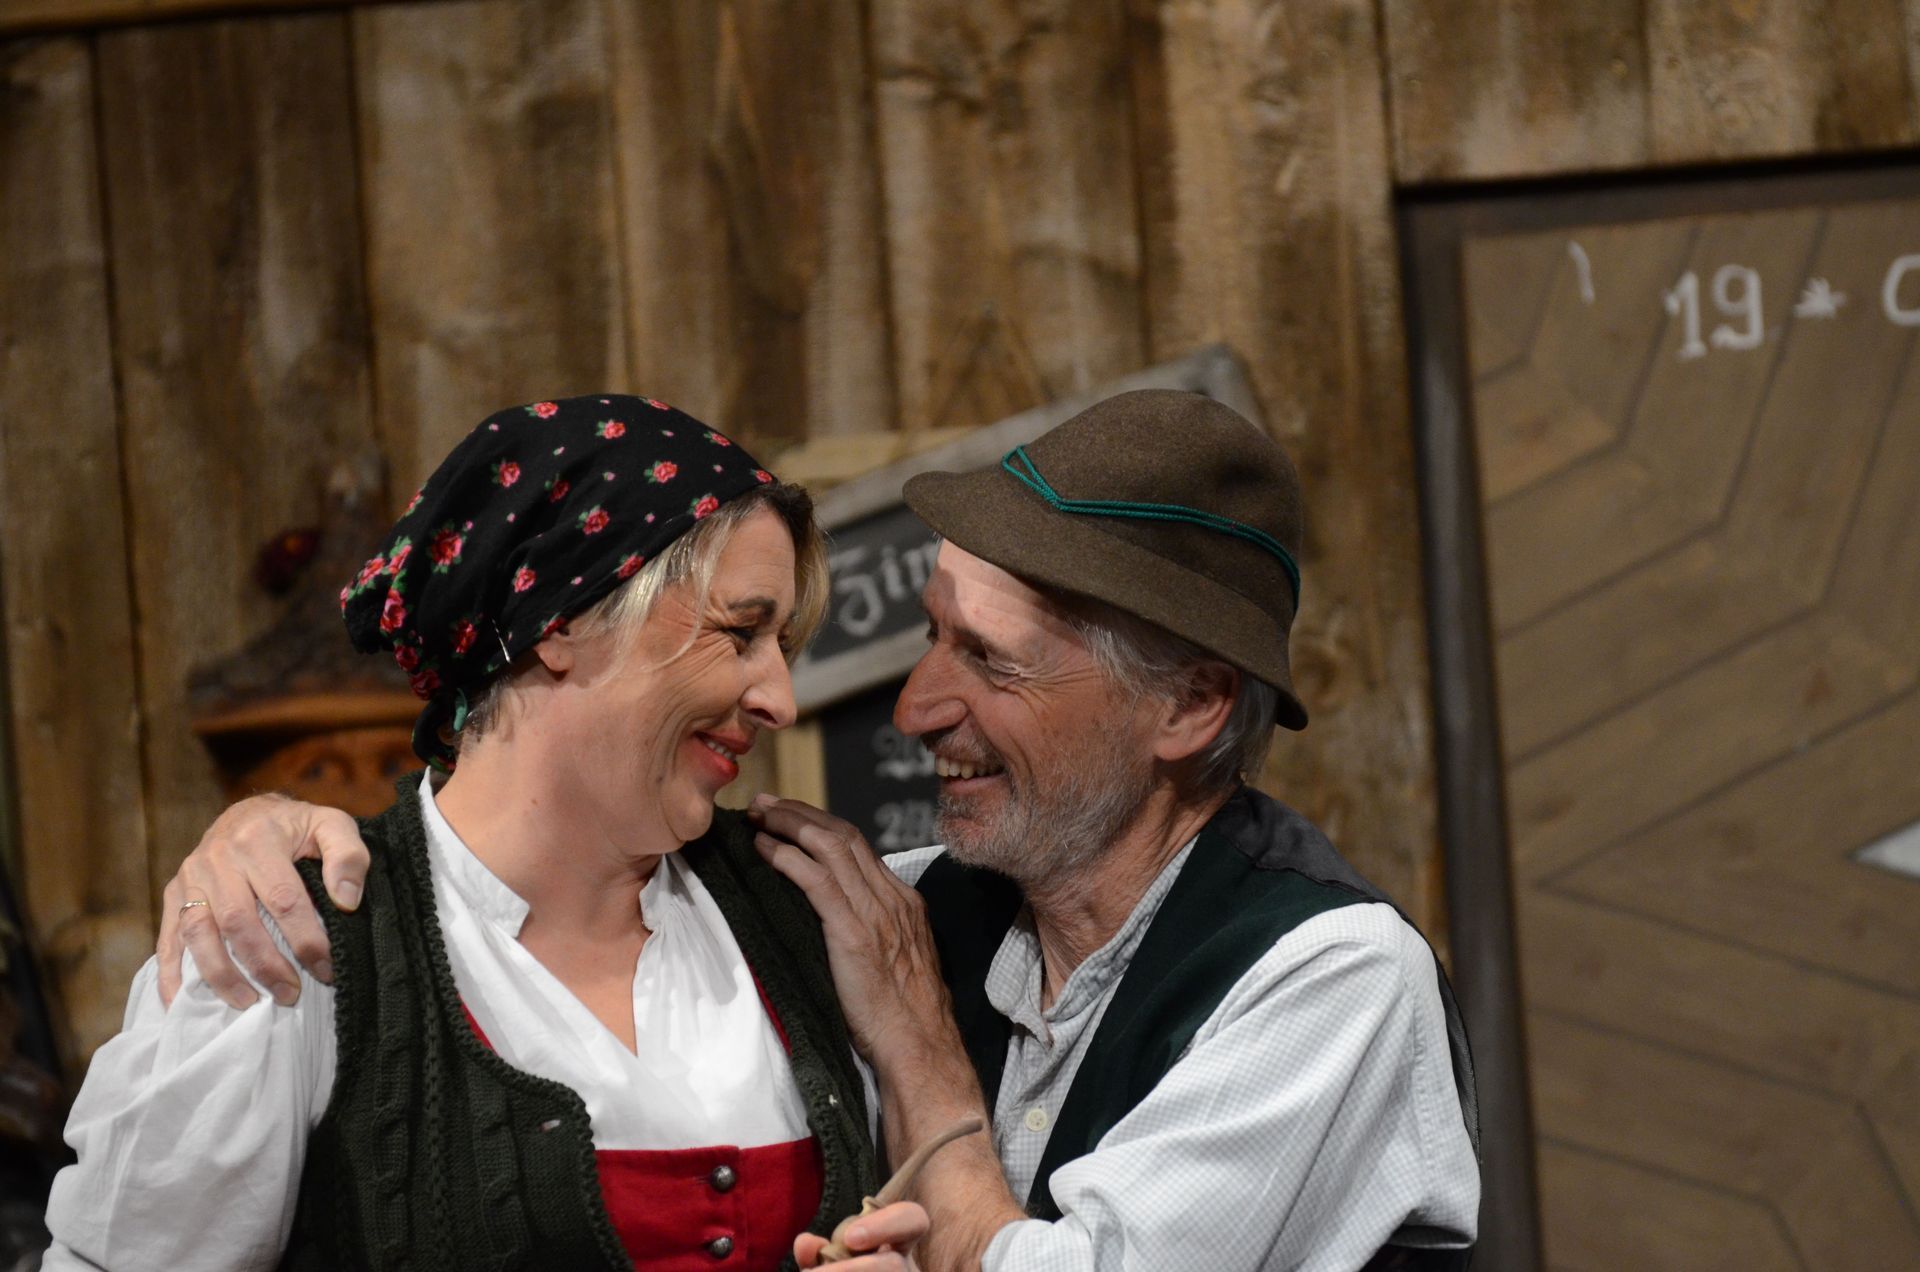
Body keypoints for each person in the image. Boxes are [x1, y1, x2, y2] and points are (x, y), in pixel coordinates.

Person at [151, 390, 1481, 1270]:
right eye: (928, 636)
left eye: (990, 660)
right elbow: (513, 847)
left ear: (1189, 705)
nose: (915, 707)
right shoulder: (884, 904)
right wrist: (270, 835)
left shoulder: (1329, 982)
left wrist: (928, 1069)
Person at [43, 395, 925, 1271]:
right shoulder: (292, 942)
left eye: (780, 647)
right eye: (739, 633)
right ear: (566, 621)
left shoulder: (808, 906)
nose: (779, 700)